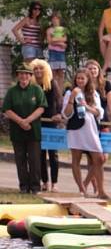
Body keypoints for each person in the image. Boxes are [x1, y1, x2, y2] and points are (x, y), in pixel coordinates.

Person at [62, 68, 107, 199]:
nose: (80, 80)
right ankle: (82, 190)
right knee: (76, 159)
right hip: (75, 129)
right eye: (78, 78)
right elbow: (66, 114)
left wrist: (87, 106)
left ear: (88, 80)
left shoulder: (93, 93)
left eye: (83, 78)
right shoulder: (70, 92)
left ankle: (101, 191)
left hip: (91, 129)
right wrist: (71, 97)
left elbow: (100, 112)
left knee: (99, 159)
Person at [2, 68, 46, 193]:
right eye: (21, 73)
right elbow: (7, 109)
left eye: (26, 74)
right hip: (17, 131)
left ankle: (35, 187)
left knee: (34, 160)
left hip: (33, 130)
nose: (24, 76)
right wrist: (21, 121)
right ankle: (24, 187)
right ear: (17, 75)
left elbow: (41, 107)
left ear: (30, 76)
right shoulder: (12, 91)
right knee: (20, 159)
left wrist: (27, 120)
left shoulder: (36, 89)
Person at [82, 59, 111, 195]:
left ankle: (84, 184)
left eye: (95, 68)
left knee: (103, 157)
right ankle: (98, 189)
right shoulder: (84, 85)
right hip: (89, 123)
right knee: (92, 158)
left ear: (99, 70)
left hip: (104, 122)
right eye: (89, 69)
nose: (92, 71)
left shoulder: (106, 84)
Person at [30, 59, 62, 192]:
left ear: (45, 69)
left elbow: (59, 100)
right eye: (35, 69)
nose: (38, 71)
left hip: (51, 122)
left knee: (53, 153)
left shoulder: (51, 83)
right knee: (40, 154)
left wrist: (59, 114)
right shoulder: (31, 86)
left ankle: (54, 183)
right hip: (37, 122)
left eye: (40, 68)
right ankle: (44, 182)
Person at [46, 11, 68, 81]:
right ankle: (55, 91)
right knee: (54, 74)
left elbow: (64, 38)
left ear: (59, 20)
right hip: (53, 52)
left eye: (56, 19)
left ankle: (61, 92)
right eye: (53, 19)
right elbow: (49, 41)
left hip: (61, 53)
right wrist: (60, 43)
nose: (54, 20)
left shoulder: (63, 29)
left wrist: (55, 39)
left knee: (61, 74)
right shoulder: (49, 30)